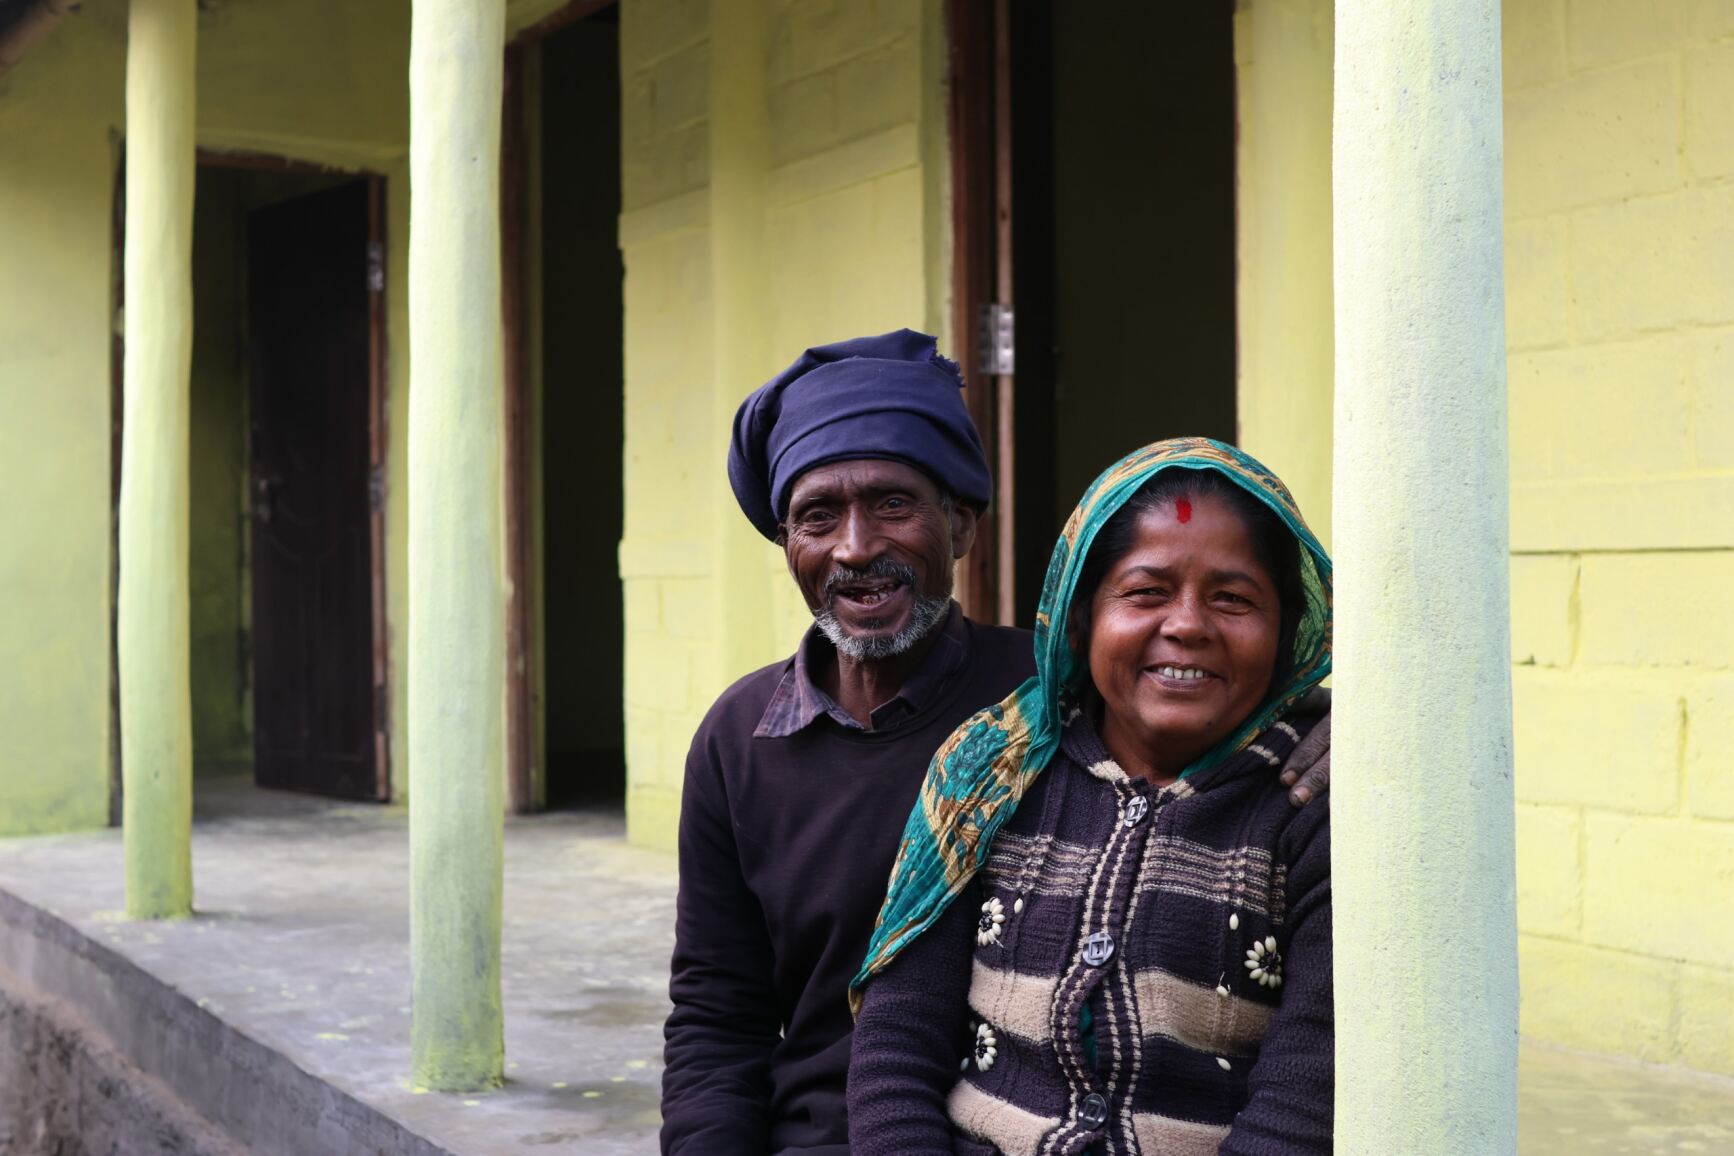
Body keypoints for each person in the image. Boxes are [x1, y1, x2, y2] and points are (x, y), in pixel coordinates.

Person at [659, 334, 1331, 1156]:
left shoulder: (1056, 705)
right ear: (786, 542)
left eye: (894, 505)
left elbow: (1208, 685)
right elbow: (716, 1011)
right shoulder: (743, 739)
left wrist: (1347, 736)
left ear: (962, 525)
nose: (855, 546)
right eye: (816, 516)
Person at [847, 438, 1335, 1155]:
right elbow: (897, 1046)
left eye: (1233, 599)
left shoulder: (1315, 801)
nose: (1189, 624)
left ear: (1289, 630)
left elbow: (1308, 1088)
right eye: (1146, 592)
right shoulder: (992, 776)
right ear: (1079, 617)